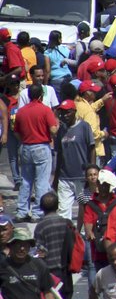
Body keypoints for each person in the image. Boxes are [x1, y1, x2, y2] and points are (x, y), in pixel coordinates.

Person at [13, 83, 59, 222]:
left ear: (28, 95)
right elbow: (52, 130)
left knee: (26, 181)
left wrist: (25, 140)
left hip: (26, 146)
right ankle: (38, 212)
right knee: (42, 182)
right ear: (42, 95)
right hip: (41, 146)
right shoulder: (45, 110)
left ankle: (22, 211)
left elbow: (16, 132)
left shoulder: (21, 111)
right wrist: (57, 127)